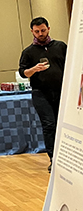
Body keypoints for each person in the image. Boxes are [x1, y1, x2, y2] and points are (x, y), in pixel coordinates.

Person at [19, 17, 67, 172]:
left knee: (64, 124)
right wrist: (34, 69)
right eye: (37, 31)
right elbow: (23, 73)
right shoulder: (28, 52)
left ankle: (69, 157)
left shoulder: (60, 46)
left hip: (62, 91)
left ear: (49, 28)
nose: (40, 33)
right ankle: (54, 159)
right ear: (32, 31)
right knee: (49, 125)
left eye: (43, 30)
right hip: (41, 94)